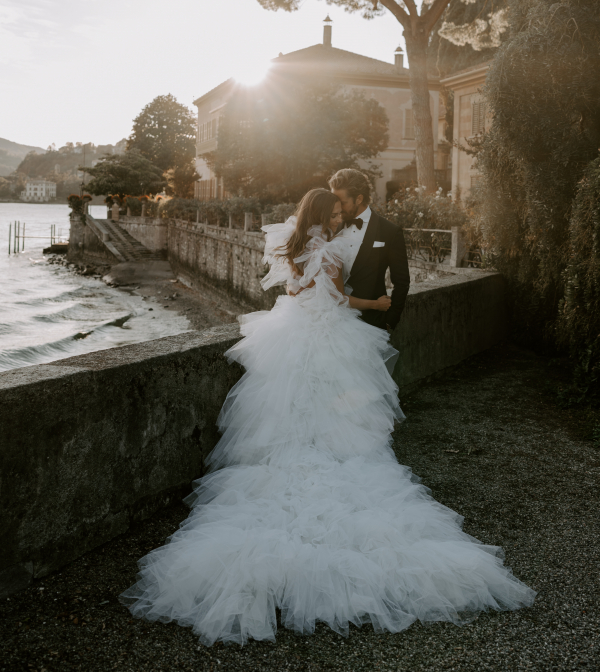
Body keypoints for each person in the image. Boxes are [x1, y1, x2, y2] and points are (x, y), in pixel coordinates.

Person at [120, 188, 535, 646]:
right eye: (335, 210)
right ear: (323, 213)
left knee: (288, 408)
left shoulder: (292, 244)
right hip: (329, 336)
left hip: (293, 333)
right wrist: (377, 305)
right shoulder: (329, 248)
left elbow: (295, 291)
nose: (340, 215)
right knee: (341, 410)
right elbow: (337, 299)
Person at [329, 168, 410, 331]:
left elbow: (402, 281)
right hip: (331, 319)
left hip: (370, 323)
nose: (336, 207)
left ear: (359, 198)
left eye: (342, 202)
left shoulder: (390, 231)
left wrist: (390, 320)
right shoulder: (330, 225)